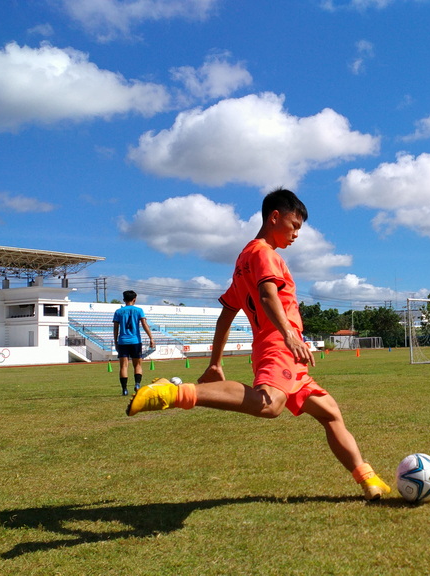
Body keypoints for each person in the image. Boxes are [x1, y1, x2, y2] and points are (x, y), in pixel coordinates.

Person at [126, 188, 392, 501]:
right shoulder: (265, 255)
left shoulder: (244, 260)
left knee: (330, 413)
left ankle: (368, 479)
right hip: (280, 345)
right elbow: (267, 295)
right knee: (270, 405)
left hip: (281, 352)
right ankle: (172, 393)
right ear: (274, 216)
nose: (296, 234)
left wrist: (215, 362)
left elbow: (226, 314)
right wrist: (290, 335)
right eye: (294, 226)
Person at [113, 290, 155, 396]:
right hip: (135, 341)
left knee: (123, 366)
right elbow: (144, 324)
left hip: (123, 341)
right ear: (134, 299)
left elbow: (115, 328)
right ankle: (137, 384)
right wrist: (151, 338)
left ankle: (124, 389)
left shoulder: (118, 312)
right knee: (137, 365)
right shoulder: (139, 310)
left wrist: (116, 341)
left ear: (123, 300)